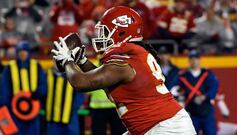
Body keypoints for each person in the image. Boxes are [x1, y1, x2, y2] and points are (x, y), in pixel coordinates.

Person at [51, 6, 196, 135]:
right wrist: (81, 60)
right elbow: (103, 80)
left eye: (106, 32)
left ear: (121, 33)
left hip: (164, 127)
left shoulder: (125, 61)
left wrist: (67, 60)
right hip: (155, 125)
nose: (102, 37)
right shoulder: (131, 56)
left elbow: (80, 83)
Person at [0, 41, 47, 135]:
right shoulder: (9, 67)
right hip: (14, 112)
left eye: (25, 51)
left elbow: (43, 85)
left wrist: (37, 94)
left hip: (33, 111)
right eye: (20, 51)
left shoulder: (36, 66)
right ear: (17, 52)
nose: (23, 53)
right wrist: (6, 107)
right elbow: (4, 89)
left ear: (29, 52)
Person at [172, 50, 219, 135]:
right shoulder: (183, 75)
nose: (194, 61)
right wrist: (178, 91)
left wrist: (205, 96)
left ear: (199, 60)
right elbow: (174, 88)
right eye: (192, 59)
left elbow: (214, 87)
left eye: (196, 58)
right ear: (189, 60)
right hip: (191, 111)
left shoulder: (207, 74)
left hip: (206, 110)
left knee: (210, 132)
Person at [88, 57, 126, 135]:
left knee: (118, 131)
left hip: (113, 107)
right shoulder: (114, 67)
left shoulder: (114, 67)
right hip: (100, 108)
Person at [45, 64, 85, 135]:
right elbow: (43, 92)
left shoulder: (73, 74)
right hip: (52, 117)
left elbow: (80, 93)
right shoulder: (48, 73)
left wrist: (73, 108)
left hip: (70, 116)